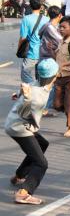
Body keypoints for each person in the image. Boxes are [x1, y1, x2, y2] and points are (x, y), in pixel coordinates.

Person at [5, 58, 59, 205]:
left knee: (42, 144)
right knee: (41, 163)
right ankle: (23, 193)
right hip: (20, 128)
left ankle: (19, 175)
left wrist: (20, 93)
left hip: (16, 124)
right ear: (55, 75)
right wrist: (26, 98)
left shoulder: (39, 83)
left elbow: (28, 87)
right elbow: (25, 112)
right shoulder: (37, 95)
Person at [53, 16, 70, 138]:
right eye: (60, 27)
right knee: (57, 104)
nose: (61, 29)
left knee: (69, 104)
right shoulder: (61, 42)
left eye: (64, 27)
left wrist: (63, 64)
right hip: (59, 77)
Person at [38, 6, 63, 116]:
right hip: (49, 59)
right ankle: (44, 108)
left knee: (44, 85)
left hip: (44, 58)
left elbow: (39, 34)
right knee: (50, 85)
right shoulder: (50, 28)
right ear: (59, 16)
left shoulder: (47, 26)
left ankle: (43, 108)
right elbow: (61, 40)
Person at [18, 0, 49, 84]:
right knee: (41, 75)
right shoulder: (46, 20)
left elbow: (23, 38)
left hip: (30, 52)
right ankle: (39, 90)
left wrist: (19, 48)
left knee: (25, 74)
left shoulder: (26, 19)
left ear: (30, 6)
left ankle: (33, 87)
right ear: (41, 6)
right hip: (43, 52)